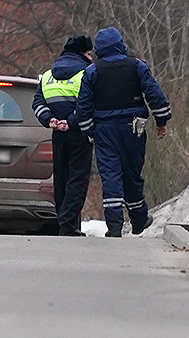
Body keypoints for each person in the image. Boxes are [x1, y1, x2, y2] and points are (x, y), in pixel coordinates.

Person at [73, 27, 172, 237]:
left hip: (104, 131)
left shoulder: (92, 71)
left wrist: (90, 131)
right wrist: (161, 121)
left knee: (110, 176)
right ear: (120, 44)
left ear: (99, 49)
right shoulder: (136, 66)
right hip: (132, 129)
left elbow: (83, 107)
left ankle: (115, 226)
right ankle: (138, 219)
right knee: (132, 174)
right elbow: (155, 95)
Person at [32, 34, 94, 236]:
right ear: (83, 53)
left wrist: (50, 120)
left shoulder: (48, 75)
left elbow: (38, 103)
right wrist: (71, 121)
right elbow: (88, 104)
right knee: (78, 179)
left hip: (57, 134)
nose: (92, 58)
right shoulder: (87, 73)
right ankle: (68, 225)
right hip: (79, 132)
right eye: (89, 53)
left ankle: (65, 221)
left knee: (61, 179)